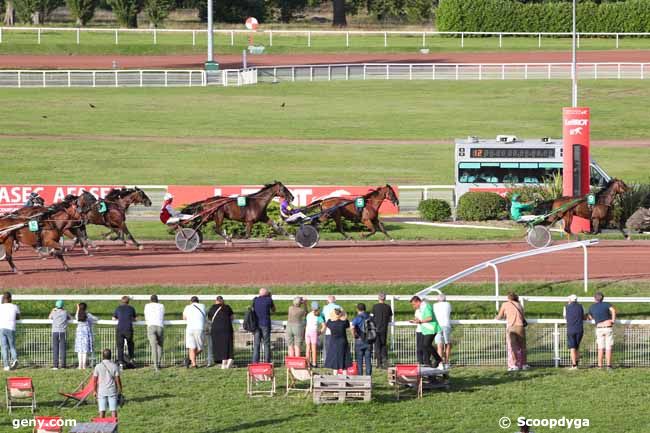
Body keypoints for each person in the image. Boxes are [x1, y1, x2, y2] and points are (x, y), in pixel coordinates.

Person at [496, 292, 529, 372]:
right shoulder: (519, 305)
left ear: (508, 298)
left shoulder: (505, 304)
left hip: (511, 327)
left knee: (513, 347)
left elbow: (499, 317)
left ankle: (514, 365)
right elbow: (523, 317)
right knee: (522, 347)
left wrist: (498, 317)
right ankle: (524, 364)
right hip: (520, 327)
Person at [409, 296, 443, 368]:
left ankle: (437, 359)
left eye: (414, 304)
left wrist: (420, 321)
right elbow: (422, 318)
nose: (413, 306)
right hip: (427, 330)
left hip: (432, 329)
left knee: (426, 344)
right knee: (426, 345)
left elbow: (430, 318)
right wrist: (416, 321)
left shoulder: (426, 306)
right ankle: (432, 361)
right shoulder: (421, 308)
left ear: (418, 301)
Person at [587, 291, 616, 370]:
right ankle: (608, 365)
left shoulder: (592, 307)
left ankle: (599, 366)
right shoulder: (607, 304)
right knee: (608, 347)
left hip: (599, 328)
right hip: (608, 327)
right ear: (602, 298)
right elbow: (613, 310)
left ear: (594, 298)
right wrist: (613, 320)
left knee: (600, 348)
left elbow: (590, 316)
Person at [93, 349, 122, 420]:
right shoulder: (114, 366)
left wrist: (94, 390)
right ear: (110, 356)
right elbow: (118, 379)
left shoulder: (98, 366)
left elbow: (94, 380)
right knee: (113, 410)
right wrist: (120, 389)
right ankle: (114, 427)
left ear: (102, 356)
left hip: (101, 391)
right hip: (112, 390)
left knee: (102, 411)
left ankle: (101, 427)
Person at [207, 296, 235, 369]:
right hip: (227, 328)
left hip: (216, 329)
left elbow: (209, 318)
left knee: (219, 345)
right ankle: (227, 363)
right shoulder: (227, 307)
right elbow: (232, 317)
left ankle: (222, 363)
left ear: (216, 301)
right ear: (223, 301)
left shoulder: (212, 308)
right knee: (228, 345)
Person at [324, 308, 352, 374]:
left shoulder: (330, 323)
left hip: (334, 342)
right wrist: (343, 314)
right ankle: (345, 376)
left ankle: (335, 376)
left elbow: (328, 321)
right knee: (344, 358)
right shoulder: (344, 323)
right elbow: (347, 323)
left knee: (335, 359)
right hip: (343, 342)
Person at [113, 296, 137, 369]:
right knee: (130, 344)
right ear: (128, 302)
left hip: (120, 329)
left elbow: (113, 318)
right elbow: (135, 319)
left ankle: (120, 363)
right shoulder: (131, 308)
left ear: (121, 301)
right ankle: (132, 359)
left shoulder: (118, 308)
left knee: (120, 346)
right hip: (128, 329)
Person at [252, 288, 276, 363]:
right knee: (266, 344)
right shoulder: (269, 300)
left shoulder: (255, 300)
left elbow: (253, 308)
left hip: (256, 325)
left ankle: (255, 362)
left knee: (256, 345)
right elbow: (274, 310)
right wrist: (270, 297)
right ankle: (267, 362)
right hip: (265, 324)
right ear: (267, 294)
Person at [182, 296, 206, 368]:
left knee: (192, 348)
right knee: (200, 348)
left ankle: (191, 361)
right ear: (198, 301)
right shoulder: (203, 306)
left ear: (191, 302)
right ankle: (192, 363)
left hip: (189, 329)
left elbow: (184, 318)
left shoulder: (187, 307)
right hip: (199, 328)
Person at [371, 293, 392, 369]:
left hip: (376, 329)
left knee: (377, 346)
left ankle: (379, 363)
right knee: (383, 345)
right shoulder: (388, 307)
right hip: (384, 329)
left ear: (378, 298)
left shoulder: (375, 307)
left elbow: (372, 318)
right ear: (385, 298)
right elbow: (390, 318)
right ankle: (385, 362)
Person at [564, 294, 585, 369]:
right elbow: (583, 316)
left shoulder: (566, 307)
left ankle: (574, 365)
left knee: (572, 348)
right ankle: (577, 362)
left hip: (571, 329)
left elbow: (565, 316)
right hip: (580, 329)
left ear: (569, 300)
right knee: (577, 347)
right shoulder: (581, 306)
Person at [0, 292, 20, 371]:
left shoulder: (0, 306)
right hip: (11, 328)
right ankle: (15, 359)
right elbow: (18, 317)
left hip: (2, 328)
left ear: (3, 299)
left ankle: (6, 366)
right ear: (10, 298)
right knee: (12, 346)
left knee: (4, 347)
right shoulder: (15, 306)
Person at [351, 303, 373, 376]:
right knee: (368, 360)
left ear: (357, 309)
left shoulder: (357, 318)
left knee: (359, 361)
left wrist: (354, 335)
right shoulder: (369, 317)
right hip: (369, 340)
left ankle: (360, 376)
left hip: (359, 340)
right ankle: (368, 377)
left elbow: (352, 327)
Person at [144, 294, 165, 371]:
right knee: (160, 346)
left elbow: (146, 315)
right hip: (160, 326)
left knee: (153, 347)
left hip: (151, 326)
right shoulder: (161, 306)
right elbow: (163, 314)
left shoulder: (147, 306)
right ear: (157, 300)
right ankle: (159, 363)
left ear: (150, 300)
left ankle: (156, 366)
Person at [49, 300, 71, 370]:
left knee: (55, 349)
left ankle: (55, 365)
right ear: (62, 306)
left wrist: (53, 310)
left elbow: (49, 317)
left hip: (55, 331)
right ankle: (63, 365)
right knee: (63, 349)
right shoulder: (65, 312)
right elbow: (70, 317)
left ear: (56, 306)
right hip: (63, 332)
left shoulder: (54, 312)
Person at [75, 302, 98, 370]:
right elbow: (96, 318)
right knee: (85, 351)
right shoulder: (87, 315)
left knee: (79, 350)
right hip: (86, 334)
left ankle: (80, 366)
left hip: (79, 334)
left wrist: (77, 309)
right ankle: (84, 366)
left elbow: (76, 316)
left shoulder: (78, 315)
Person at [434, 294, 453, 369]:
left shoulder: (435, 305)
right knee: (447, 344)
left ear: (438, 300)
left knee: (439, 345)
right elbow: (450, 313)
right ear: (445, 299)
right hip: (446, 325)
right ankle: (447, 362)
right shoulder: (448, 304)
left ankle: (440, 363)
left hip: (438, 326)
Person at [305, 302, 326, 368]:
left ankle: (307, 363)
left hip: (307, 331)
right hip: (313, 331)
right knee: (313, 348)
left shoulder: (308, 315)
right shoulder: (318, 316)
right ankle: (314, 363)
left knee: (308, 348)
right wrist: (320, 332)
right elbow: (324, 325)